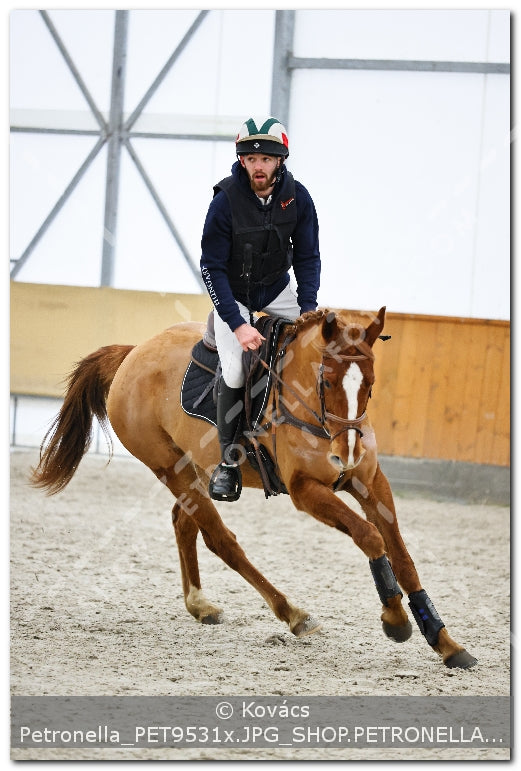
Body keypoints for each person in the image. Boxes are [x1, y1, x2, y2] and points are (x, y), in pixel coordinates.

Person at [200, 116, 321, 501]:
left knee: (317, 349)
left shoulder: (298, 197)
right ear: (241, 161)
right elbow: (211, 267)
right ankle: (229, 464)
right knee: (236, 368)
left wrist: (307, 309)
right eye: (250, 158)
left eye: (266, 158)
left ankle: (323, 440)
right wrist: (237, 324)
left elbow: (308, 257)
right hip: (233, 295)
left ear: (280, 160)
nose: (258, 165)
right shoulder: (224, 203)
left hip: (277, 291)